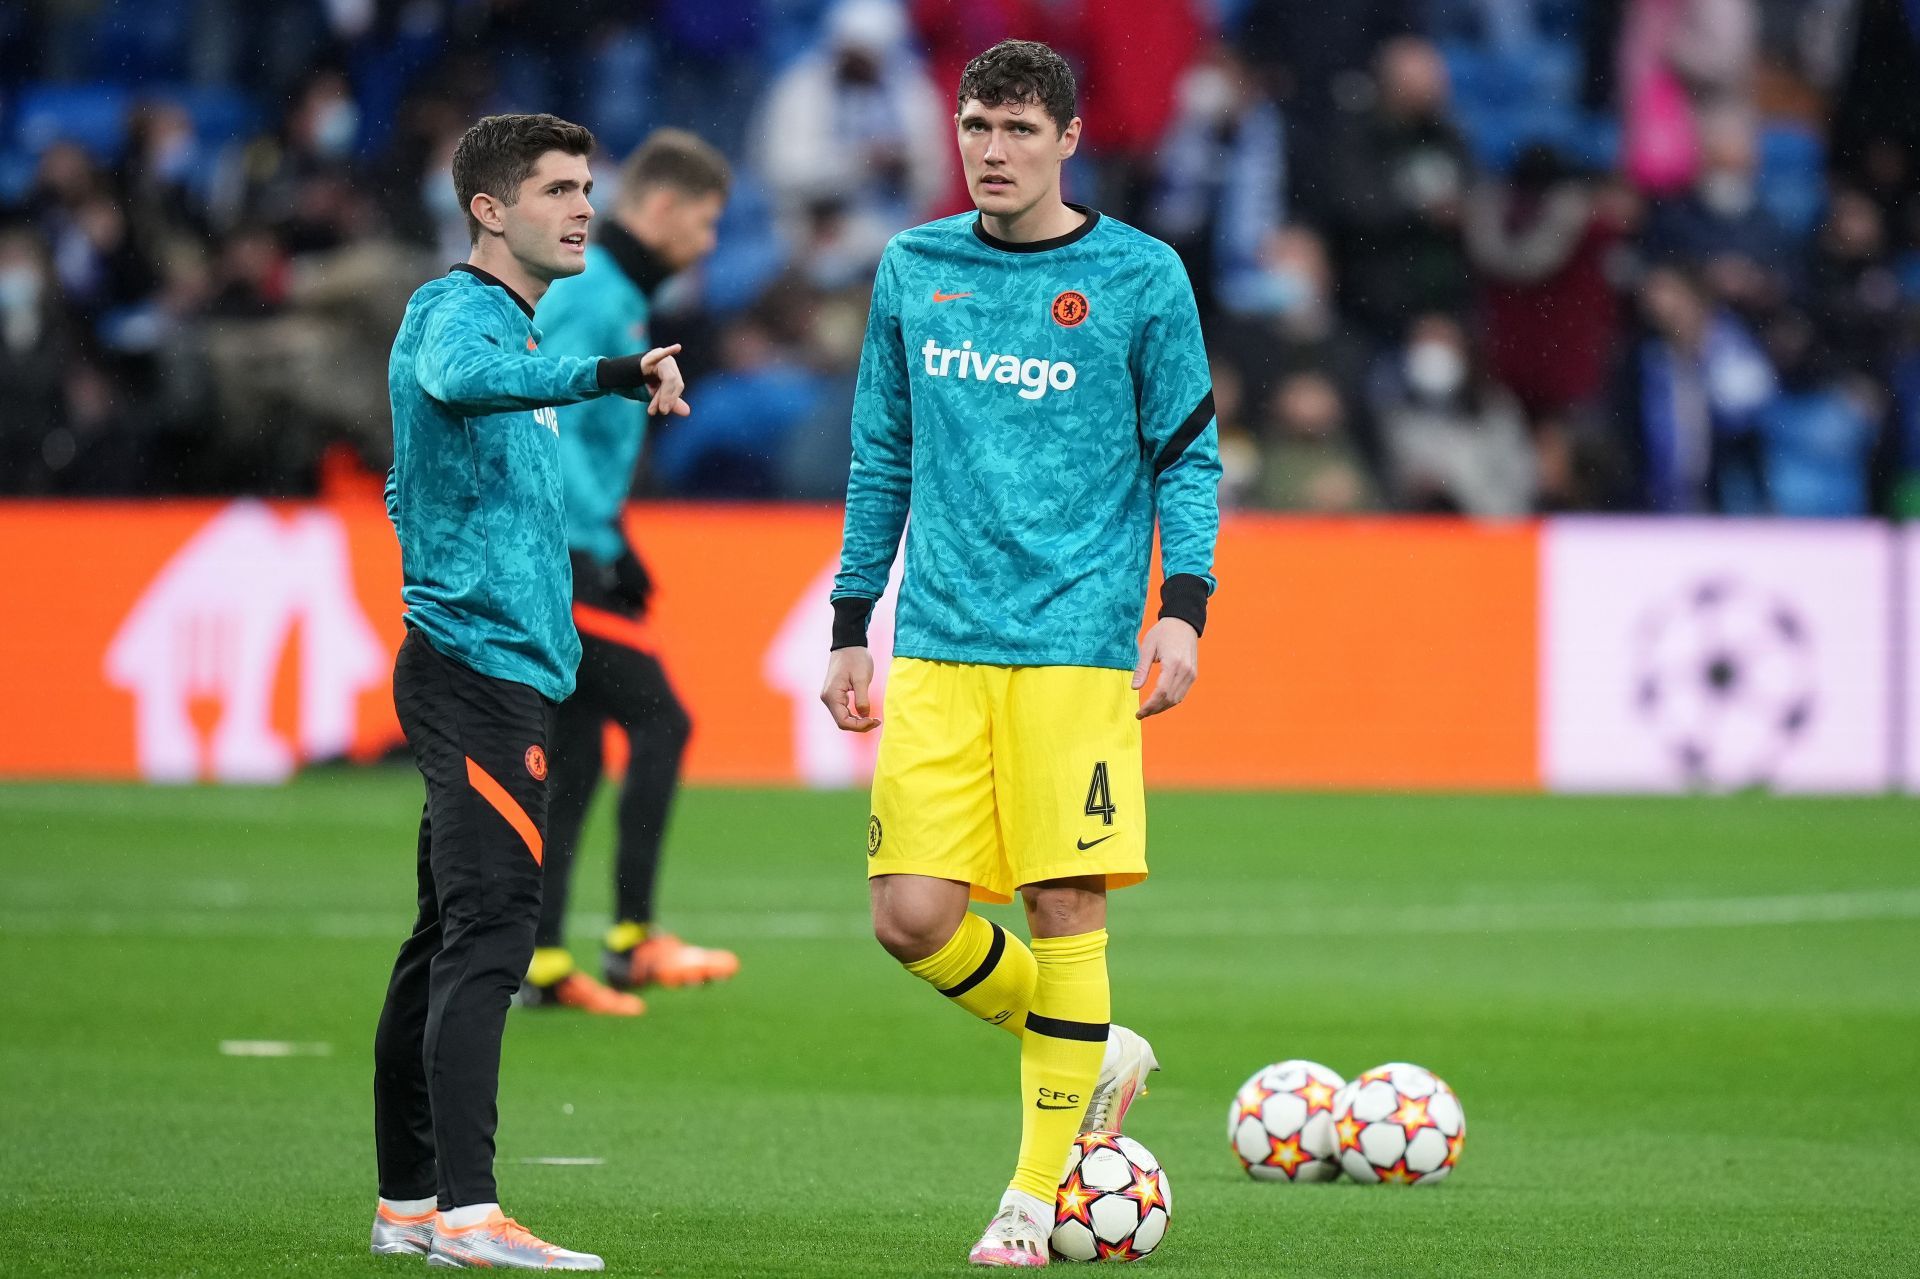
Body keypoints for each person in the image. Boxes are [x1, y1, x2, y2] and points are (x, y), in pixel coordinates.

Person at [818, 40, 1220, 1268]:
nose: (991, 151)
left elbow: (1187, 457)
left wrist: (1184, 606)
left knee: (1063, 903)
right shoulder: (913, 267)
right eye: (975, 126)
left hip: (1076, 646)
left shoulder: (1140, 278)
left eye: (1017, 131)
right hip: (939, 641)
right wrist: (850, 621)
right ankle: (1099, 1046)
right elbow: (881, 453)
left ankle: (1033, 1198)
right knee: (909, 916)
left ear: (1069, 139)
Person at [370, 112, 689, 1270]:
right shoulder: (459, 315)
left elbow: (412, 476)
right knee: (493, 938)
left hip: (493, 668)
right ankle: (470, 1212)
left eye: (588, 187)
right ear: (489, 211)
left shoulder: (505, 323)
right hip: (477, 678)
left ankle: (410, 1201)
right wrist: (609, 372)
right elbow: (460, 380)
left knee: (444, 939)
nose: (584, 209)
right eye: (558, 189)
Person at [519, 129, 738, 1016]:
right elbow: (536, 397)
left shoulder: (619, 296)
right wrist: (584, 541)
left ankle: (540, 963)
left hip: (581, 544)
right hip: (559, 556)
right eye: (706, 221)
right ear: (660, 210)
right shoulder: (596, 295)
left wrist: (618, 541)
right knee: (663, 722)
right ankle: (634, 938)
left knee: (572, 757)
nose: (711, 242)